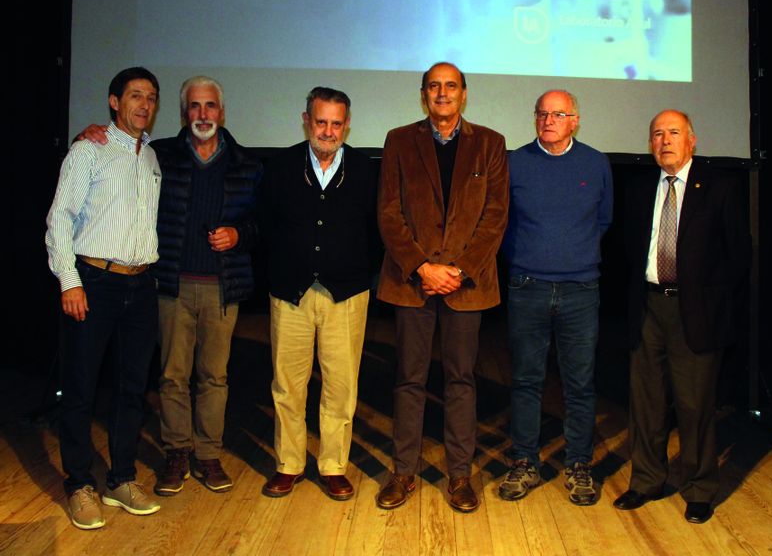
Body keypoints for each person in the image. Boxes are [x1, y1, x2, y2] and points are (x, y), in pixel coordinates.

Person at [77, 76, 263, 496]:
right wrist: (85, 133)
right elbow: (115, 149)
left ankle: (208, 454)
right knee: (172, 376)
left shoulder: (248, 165)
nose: (202, 114)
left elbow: (261, 224)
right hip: (170, 286)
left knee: (214, 376)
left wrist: (239, 234)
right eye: (194, 107)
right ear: (184, 113)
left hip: (223, 287)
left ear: (221, 111)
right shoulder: (159, 155)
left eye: (210, 106)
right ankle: (178, 452)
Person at [376, 62, 509, 512]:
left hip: (466, 285)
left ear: (464, 94)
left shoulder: (490, 143)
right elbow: (389, 214)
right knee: (409, 380)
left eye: (450, 86)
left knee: (461, 381)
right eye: (434, 86)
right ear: (423, 95)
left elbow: (495, 216)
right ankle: (403, 473)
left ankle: (459, 477)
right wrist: (422, 267)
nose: (442, 93)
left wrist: (458, 270)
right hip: (412, 283)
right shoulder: (399, 140)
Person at [613, 110, 750, 524]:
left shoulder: (720, 187)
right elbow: (625, 250)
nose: (664, 140)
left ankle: (699, 488)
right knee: (646, 403)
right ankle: (647, 481)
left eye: (673, 133)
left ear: (692, 140)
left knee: (694, 407)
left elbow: (739, 256)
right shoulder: (639, 189)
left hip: (696, 312)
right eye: (657, 134)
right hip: (648, 307)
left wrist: (713, 302)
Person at [46, 67, 162, 530]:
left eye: (151, 97)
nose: (144, 104)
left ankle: (120, 478)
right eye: (135, 96)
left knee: (132, 389)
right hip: (94, 283)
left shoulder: (151, 157)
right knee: (80, 387)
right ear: (114, 102)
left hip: (141, 285)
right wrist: (69, 282)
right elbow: (60, 219)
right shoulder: (87, 151)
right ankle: (78, 484)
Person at [261, 87, 377, 501]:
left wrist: (356, 271)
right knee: (287, 385)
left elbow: (376, 233)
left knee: (340, 386)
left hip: (345, 294)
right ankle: (288, 464)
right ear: (306, 121)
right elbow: (265, 226)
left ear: (347, 125)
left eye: (336, 123)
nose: (328, 131)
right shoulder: (279, 167)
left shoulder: (365, 170)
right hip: (290, 293)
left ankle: (333, 466)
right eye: (321, 121)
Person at [499, 90, 612, 505]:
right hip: (527, 286)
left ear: (575, 120)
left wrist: (572, 259)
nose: (548, 120)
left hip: (581, 289)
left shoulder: (596, 163)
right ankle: (525, 461)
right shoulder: (515, 162)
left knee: (579, 383)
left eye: (558, 114)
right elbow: (503, 224)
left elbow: (603, 220)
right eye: (542, 114)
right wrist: (530, 260)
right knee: (526, 379)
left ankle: (579, 464)